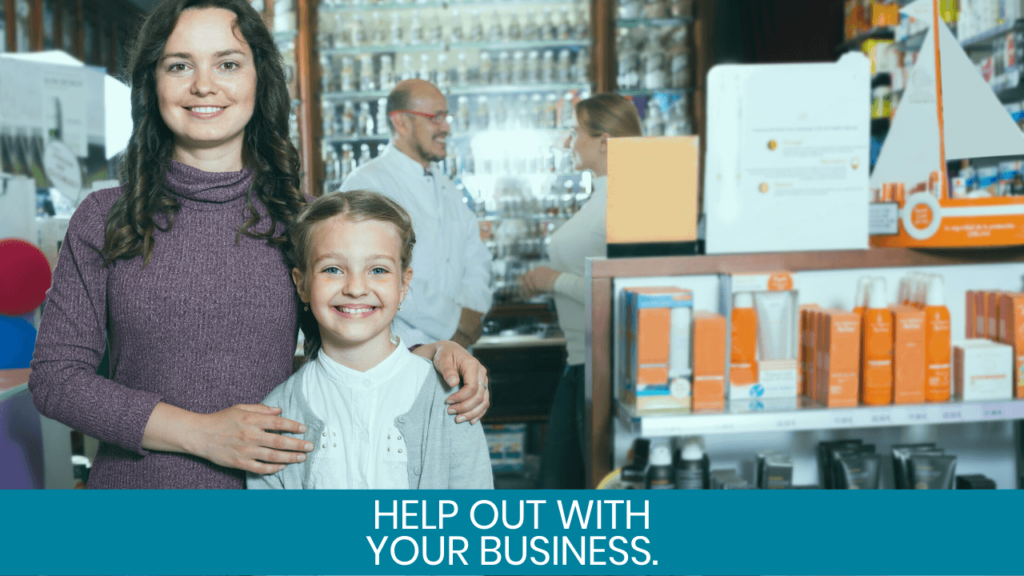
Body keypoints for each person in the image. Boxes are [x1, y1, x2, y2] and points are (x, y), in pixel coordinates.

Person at [28, 0, 488, 490]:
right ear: (152, 84)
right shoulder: (104, 218)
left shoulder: (301, 218)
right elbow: (56, 380)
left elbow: (347, 337)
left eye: (228, 63)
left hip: (276, 502)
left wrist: (432, 353)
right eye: (179, 65)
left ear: (259, 79)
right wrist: (201, 434)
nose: (204, 84)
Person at [247, 191, 493, 490]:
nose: (356, 288)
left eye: (377, 270)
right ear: (302, 284)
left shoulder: (450, 401)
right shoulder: (278, 413)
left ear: (403, 285)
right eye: (333, 269)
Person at [519, 94, 642, 489]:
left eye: (575, 133)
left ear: (604, 141)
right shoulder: (602, 197)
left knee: (569, 484)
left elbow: (625, 287)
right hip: (581, 359)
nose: (569, 142)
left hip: (600, 365)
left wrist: (551, 281)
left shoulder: (625, 195)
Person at [339, 79, 492, 349]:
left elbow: (476, 259)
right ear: (402, 123)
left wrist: (470, 316)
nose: (446, 127)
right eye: (436, 117)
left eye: (446, 117)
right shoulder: (368, 184)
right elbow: (375, 274)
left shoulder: (448, 188)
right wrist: (453, 321)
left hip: (457, 351)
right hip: (401, 351)